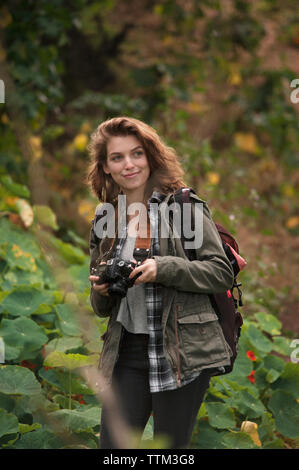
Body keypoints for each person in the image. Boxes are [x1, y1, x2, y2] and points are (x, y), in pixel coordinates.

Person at [87, 116, 234, 449]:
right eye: (117, 157)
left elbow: (220, 272)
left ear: (151, 156)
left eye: (137, 153)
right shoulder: (104, 218)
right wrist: (102, 290)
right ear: (106, 167)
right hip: (127, 352)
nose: (129, 164)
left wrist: (164, 268)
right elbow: (99, 306)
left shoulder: (183, 207)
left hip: (181, 350)